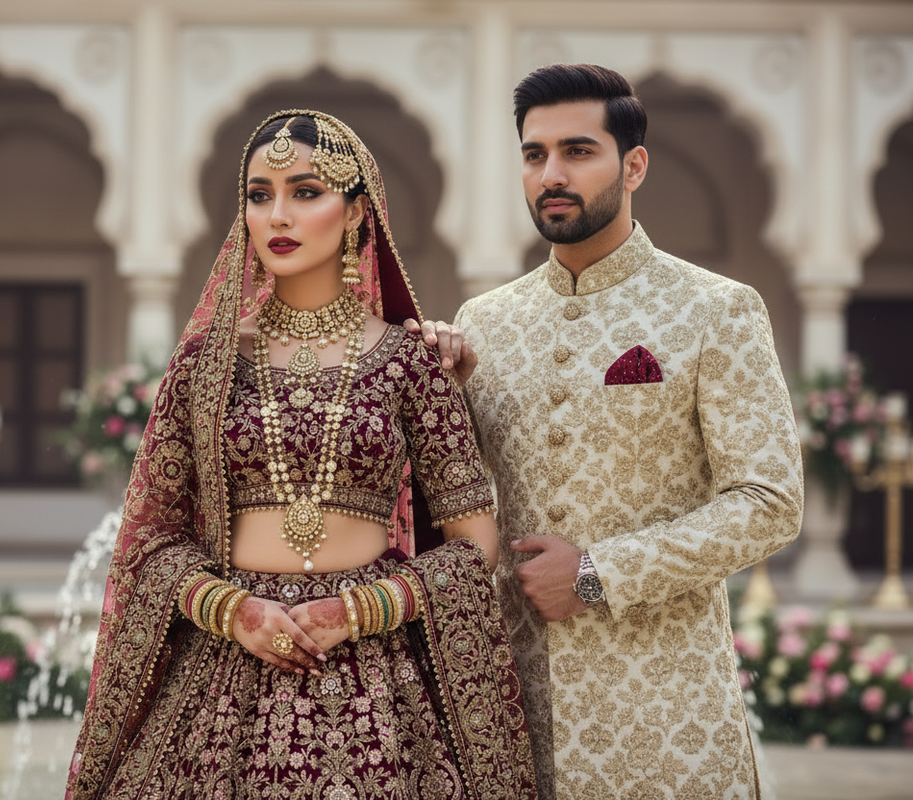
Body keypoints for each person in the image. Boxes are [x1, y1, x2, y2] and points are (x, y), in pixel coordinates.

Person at [66, 111, 537, 800]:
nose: (277, 214)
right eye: (259, 195)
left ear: (354, 213)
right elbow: (152, 542)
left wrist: (354, 611)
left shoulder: (412, 362)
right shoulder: (207, 364)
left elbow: (474, 546)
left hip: (375, 675)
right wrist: (236, 612)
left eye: (306, 191)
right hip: (227, 665)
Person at [412, 64, 803, 798]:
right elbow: (447, 505)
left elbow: (769, 501)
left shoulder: (714, 309)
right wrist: (430, 394)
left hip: (667, 719)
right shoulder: (484, 323)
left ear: (634, 165)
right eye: (534, 155)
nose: (551, 174)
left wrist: (596, 573)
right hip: (511, 717)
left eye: (577, 151)